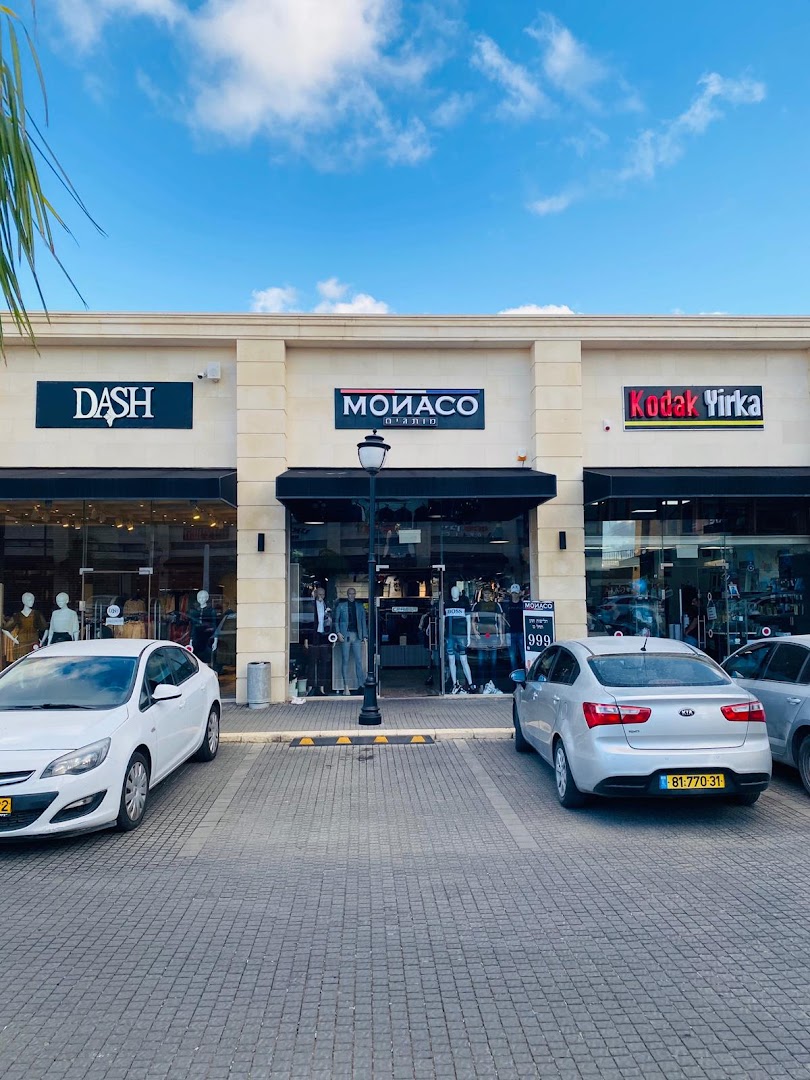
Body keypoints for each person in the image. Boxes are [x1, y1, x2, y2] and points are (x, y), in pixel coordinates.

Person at [335, 587, 367, 695]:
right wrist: (338, 632)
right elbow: (336, 621)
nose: (351, 595)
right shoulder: (341, 606)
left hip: (357, 635)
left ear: (355, 594)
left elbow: (363, 621)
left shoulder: (359, 606)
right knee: (345, 660)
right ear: (347, 594)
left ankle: (361, 685)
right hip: (346, 635)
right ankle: (346, 686)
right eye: (350, 593)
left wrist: (365, 636)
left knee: (359, 661)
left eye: (353, 593)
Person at [303, 585, 333, 695]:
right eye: (319, 594)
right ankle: (310, 686)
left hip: (324, 636)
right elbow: (306, 622)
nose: (321, 596)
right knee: (312, 662)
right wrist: (306, 639)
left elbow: (331, 622)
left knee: (324, 662)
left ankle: (322, 687)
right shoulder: (310, 606)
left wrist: (332, 638)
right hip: (313, 636)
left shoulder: (327, 605)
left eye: (323, 595)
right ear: (315, 594)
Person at [472, 587, 504, 687]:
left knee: (493, 662)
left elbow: (500, 621)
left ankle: (493, 684)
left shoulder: (496, 605)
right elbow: (473, 620)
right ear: (483, 594)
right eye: (485, 593)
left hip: (493, 634)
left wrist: (501, 637)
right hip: (481, 634)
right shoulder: (477, 605)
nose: (487, 595)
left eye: (489, 593)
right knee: (481, 661)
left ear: (491, 595)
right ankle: (481, 684)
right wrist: (475, 632)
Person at [445, 585, 474, 693]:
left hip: (461, 635)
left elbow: (468, 621)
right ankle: (455, 684)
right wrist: (443, 635)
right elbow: (443, 621)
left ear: (459, 593)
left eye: (456, 591)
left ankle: (470, 683)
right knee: (451, 659)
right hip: (450, 635)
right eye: (453, 591)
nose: (454, 593)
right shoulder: (446, 604)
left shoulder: (464, 604)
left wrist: (468, 636)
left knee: (464, 659)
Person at [505, 584, 526, 670]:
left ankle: (525, 671)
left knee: (524, 654)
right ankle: (515, 674)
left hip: (521, 632)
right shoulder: (507, 605)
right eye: (513, 593)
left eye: (516, 593)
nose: (514, 595)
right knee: (512, 656)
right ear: (511, 593)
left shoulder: (523, 604)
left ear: (519, 593)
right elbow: (503, 618)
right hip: (510, 632)